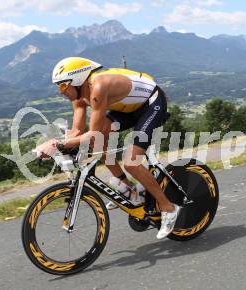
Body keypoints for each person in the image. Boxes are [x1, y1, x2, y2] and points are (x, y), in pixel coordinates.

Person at [35, 57, 180, 239]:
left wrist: (56, 144)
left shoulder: (98, 87)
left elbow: (91, 134)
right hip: (128, 109)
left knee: (131, 163)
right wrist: (55, 146)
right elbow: (77, 131)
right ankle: (129, 189)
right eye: (59, 87)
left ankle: (169, 208)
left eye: (63, 86)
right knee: (99, 142)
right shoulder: (79, 95)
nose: (60, 91)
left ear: (78, 79)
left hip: (151, 104)